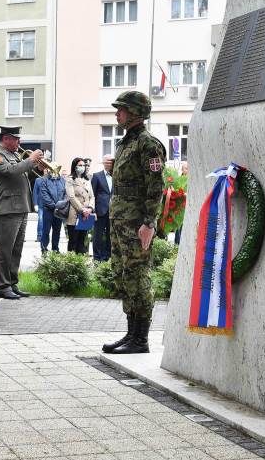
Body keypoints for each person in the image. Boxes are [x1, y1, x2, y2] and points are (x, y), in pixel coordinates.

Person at [101, 90, 166, 356]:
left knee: (138, 276)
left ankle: (141, 339)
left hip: (137, 223)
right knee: (124, 274)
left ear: (136, 112)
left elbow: (156, 186)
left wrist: (149, 223)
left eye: (122, 109)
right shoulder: (125, 143)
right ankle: (131, 333)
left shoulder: (149, 144)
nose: (117, 113)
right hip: (120, 221)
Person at [0, 126, 43, 299]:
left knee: (16, 249)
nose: (19, 142)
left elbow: (26, 175)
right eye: (16, 139)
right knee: (5, 250)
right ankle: (2, 286)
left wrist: (38, 167)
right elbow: (11, 172)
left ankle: (12, 283)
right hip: (8, 208)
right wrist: (30, 160)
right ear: (6, 139)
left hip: (21, 207)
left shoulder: (13, 155)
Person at [65, 158, 94, 254]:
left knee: (82, 242)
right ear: (75, 166)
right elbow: (71, 197)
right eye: (80, 165)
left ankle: (80, 264)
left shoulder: (87, 179)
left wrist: (90, 208)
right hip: (75, 213)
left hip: (86, 215)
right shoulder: (70, 179)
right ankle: (71, 264)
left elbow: (92, 196)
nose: (82, 167)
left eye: (83, 165)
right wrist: (82, 210)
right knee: (73, 240)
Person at [91, 154, 114, 261]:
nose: (109, 164)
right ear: (103, 163)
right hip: (100, 211)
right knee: (97, 236)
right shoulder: (96, 176)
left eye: (111, 162)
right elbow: (92, 195)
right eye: (107, 162)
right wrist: (94, 210)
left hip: (113, 212)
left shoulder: (117, 176)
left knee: (110, 236)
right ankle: (97, 257)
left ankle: (107, 256)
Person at [39, 169, 66, 253]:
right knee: (46, 230)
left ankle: (55, 248)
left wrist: (61, 205)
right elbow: (44, 194)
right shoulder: (45, 180)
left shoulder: (62, 180)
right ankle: (44, 248)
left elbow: (65, 194)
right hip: (48, 210)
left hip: (59, 210)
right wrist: (54, 206)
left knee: (57, 231)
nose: (53, 170)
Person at [173, 160, 189, 246]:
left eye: (189, 169)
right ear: (182, 170)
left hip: (188, 207)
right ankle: (177, 245)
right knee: (179, 227)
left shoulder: (191, 180)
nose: (188, 170)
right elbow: (175, 193)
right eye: (186, 168)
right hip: (180, 207)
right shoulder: (178, 180)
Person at [33, 172, 46, 242]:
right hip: (40, 205)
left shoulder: (51, 180)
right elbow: (35, 192)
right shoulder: (38, 180)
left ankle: (46, 236)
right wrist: (35, 204)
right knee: (40, 220)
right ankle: (39, 236)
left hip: (49, 205)